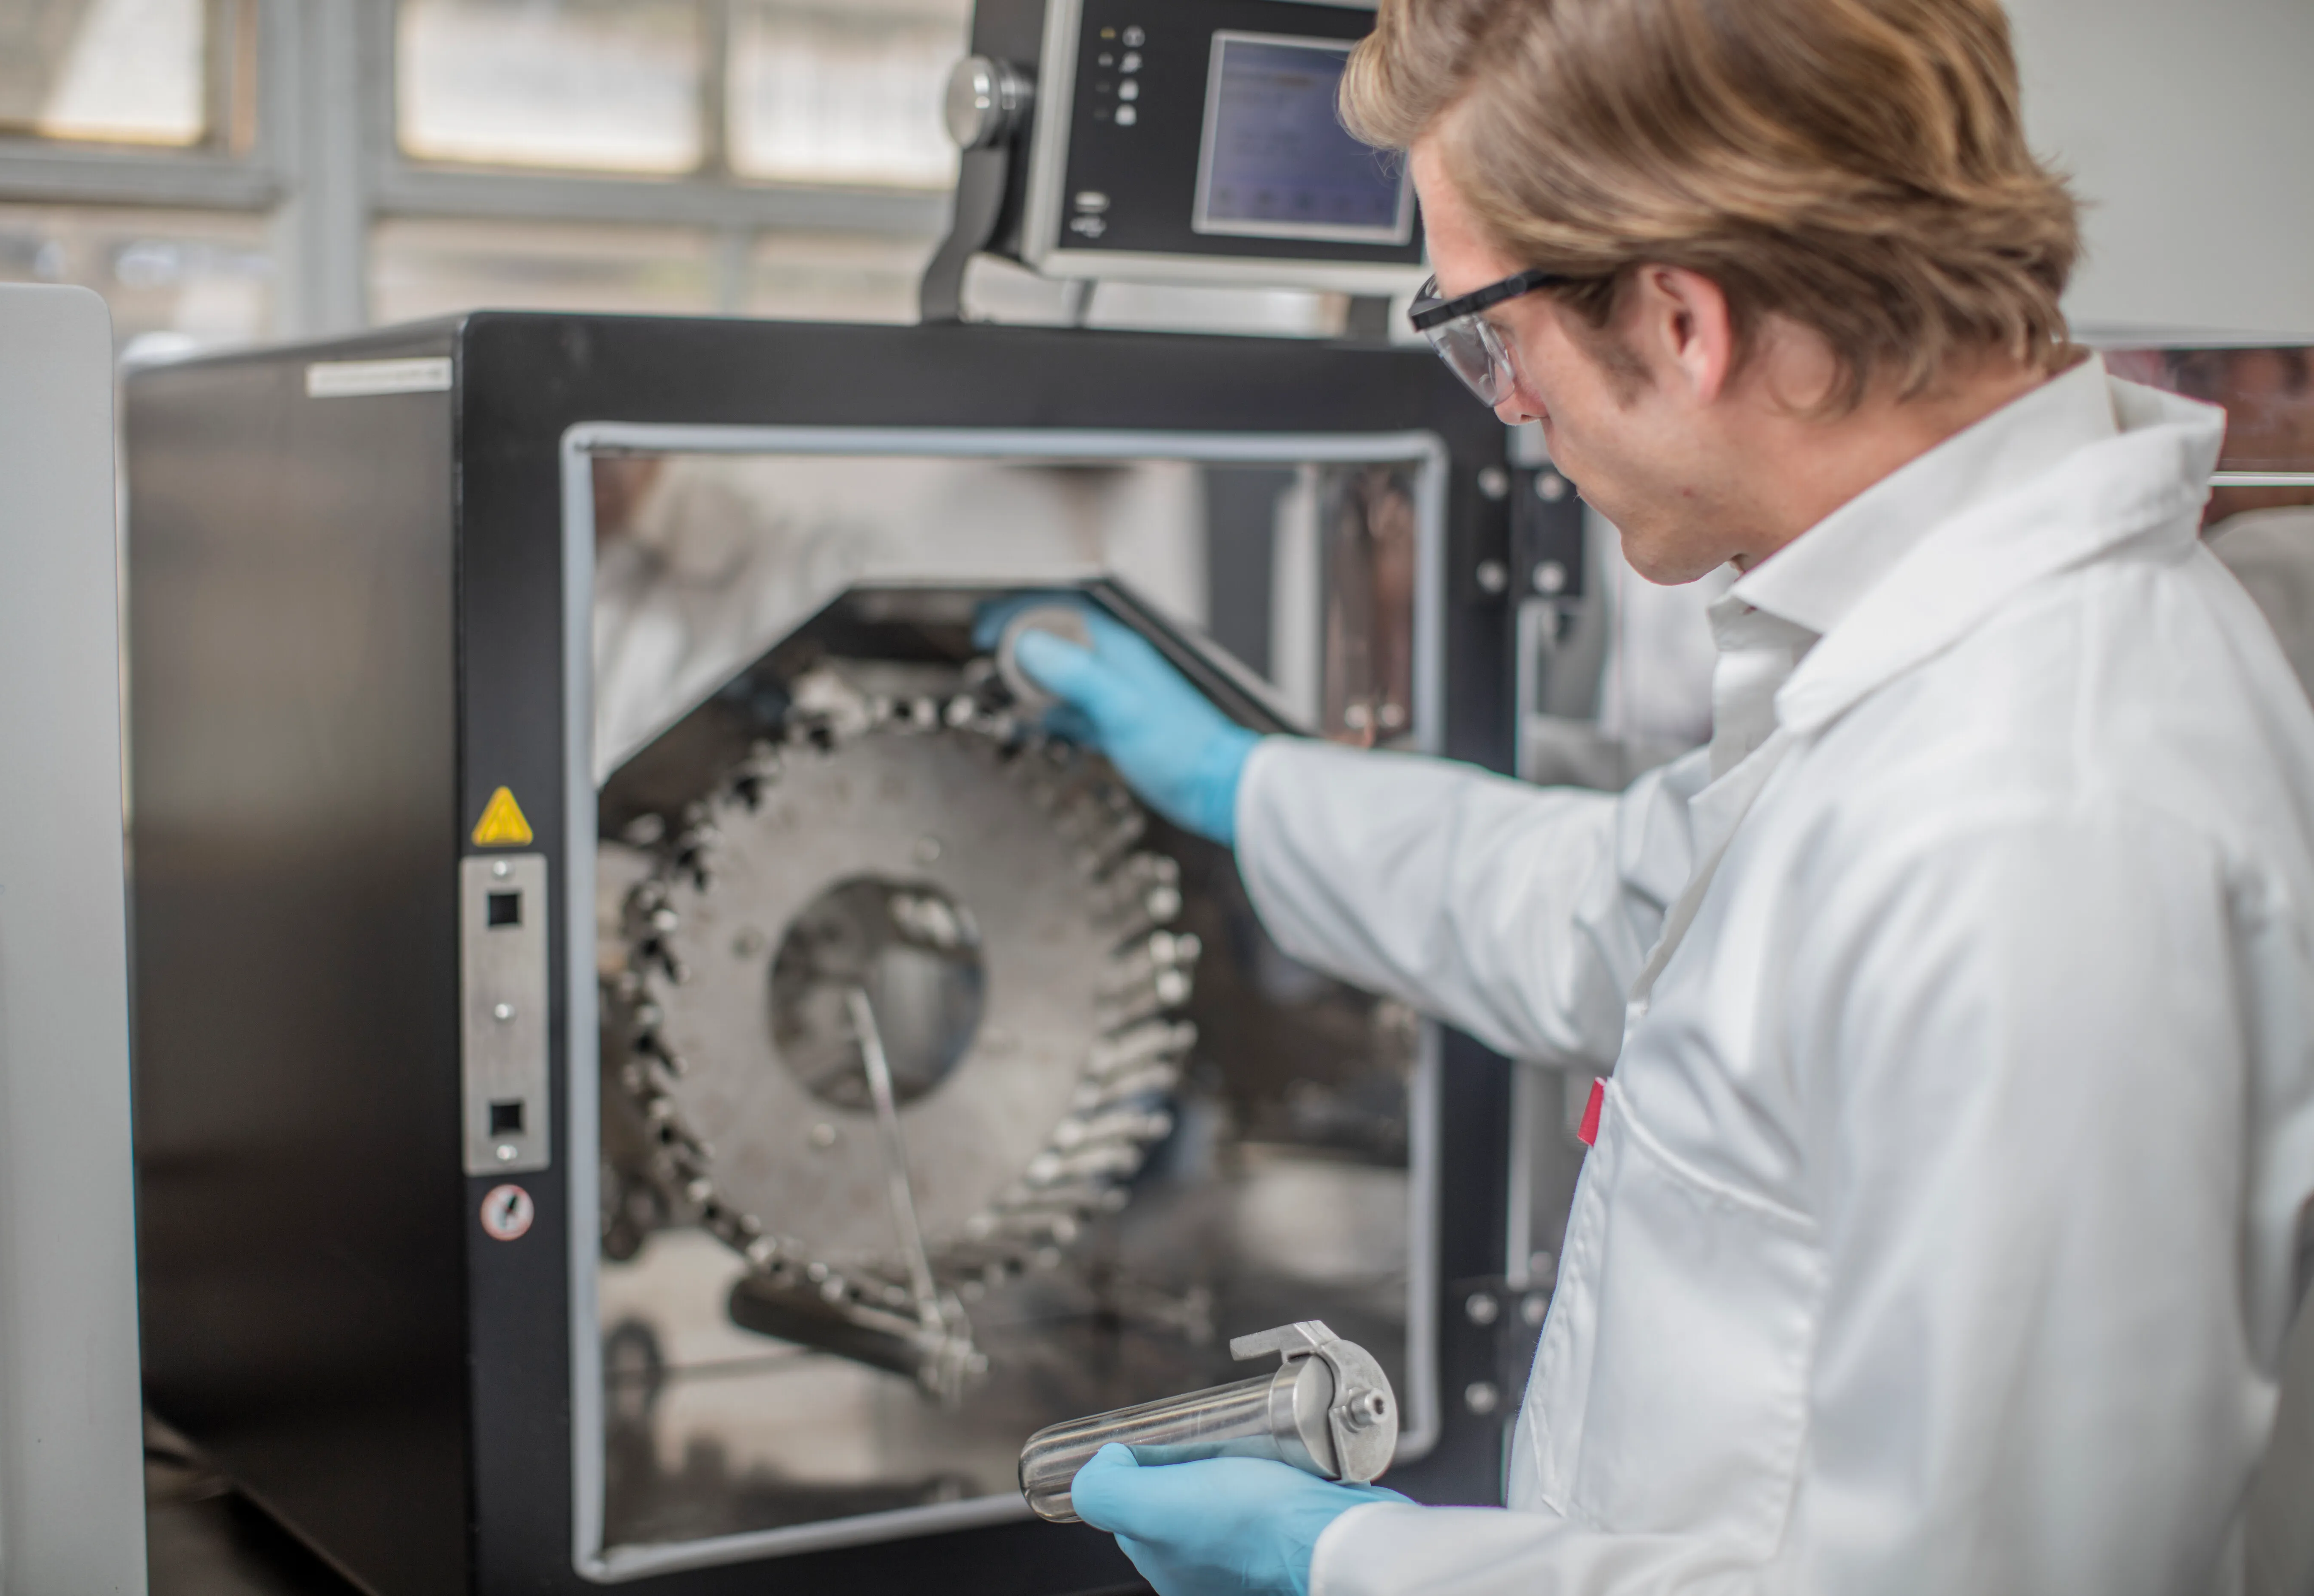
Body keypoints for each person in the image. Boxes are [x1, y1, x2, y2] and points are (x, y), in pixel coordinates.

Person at [976, 0, 2314, 1591]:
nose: (1513, 403)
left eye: (1489, 335)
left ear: (1683, 321)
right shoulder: (1910, 666)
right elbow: (1610, 903)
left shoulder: (2041, 820)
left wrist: (1360, 1569)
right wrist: (1237, 780)